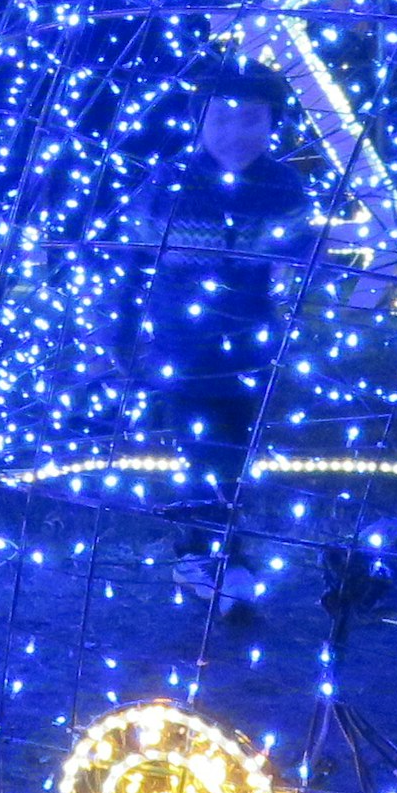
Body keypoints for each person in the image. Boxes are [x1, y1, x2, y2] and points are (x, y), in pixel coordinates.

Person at [125, 64, 314, 604]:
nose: (236, 133)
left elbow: (288, 257)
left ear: (273, 121)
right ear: (199, 121)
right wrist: (124, 336)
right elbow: (136, 263)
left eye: (252, 120)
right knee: (199, 452)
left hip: (250, 350)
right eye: (222, 119)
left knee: (233, 454)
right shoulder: (170, 182)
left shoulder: (282, 185)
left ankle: (216, 553)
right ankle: (199, 555)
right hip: (182, 348)